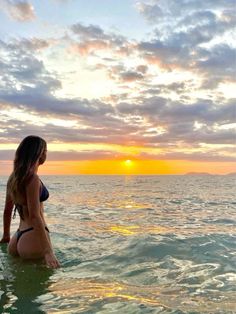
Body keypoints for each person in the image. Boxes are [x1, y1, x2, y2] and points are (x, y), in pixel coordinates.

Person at [0, 135, 60, 269]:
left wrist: (6, 236)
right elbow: (34, 215)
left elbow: (7, 211)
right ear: (39, 154)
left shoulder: (13, 178)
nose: (46, 154)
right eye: (45, 151)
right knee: (42, 287)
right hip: (33, 237)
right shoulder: (33, 179)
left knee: (18, 285)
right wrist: (48, 251)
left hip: (17, 238)